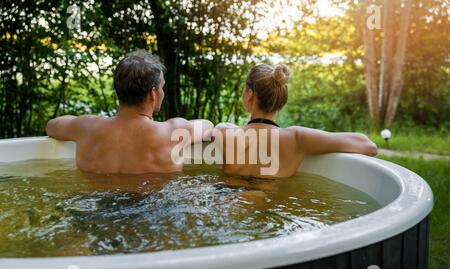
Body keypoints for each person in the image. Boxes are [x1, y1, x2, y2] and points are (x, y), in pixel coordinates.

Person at [46, 50, 213, 174]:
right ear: (153, 94)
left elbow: (51, 127)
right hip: (152, 213)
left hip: (97, 212)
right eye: (161, 87)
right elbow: (208, 126)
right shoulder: (173, 131)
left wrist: (88, 123)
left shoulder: (86, 127)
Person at [214, 63, 378, 178]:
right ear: (281, 98)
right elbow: (368, 146)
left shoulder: (225, 132)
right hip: (267, 208)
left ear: (249, 94)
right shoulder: (296, 138)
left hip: (227, 199)